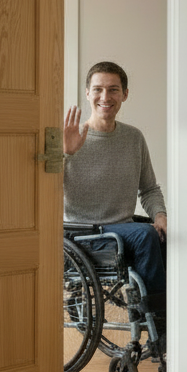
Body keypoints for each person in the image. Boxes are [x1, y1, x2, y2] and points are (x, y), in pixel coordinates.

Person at [63, 60, 167, 317]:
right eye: (98, 89)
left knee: (165, 235)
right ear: (87, 93)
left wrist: (160, 216)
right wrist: (66, 154)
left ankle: (160, 315)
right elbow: (44, 191)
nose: (105, 97)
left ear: (125, 94)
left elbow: (149, 189)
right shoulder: (69, 137)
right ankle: (159, 323)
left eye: (113, 90)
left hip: (122, 231)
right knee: (145, 236)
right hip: (82, 233)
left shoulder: (133, 138)